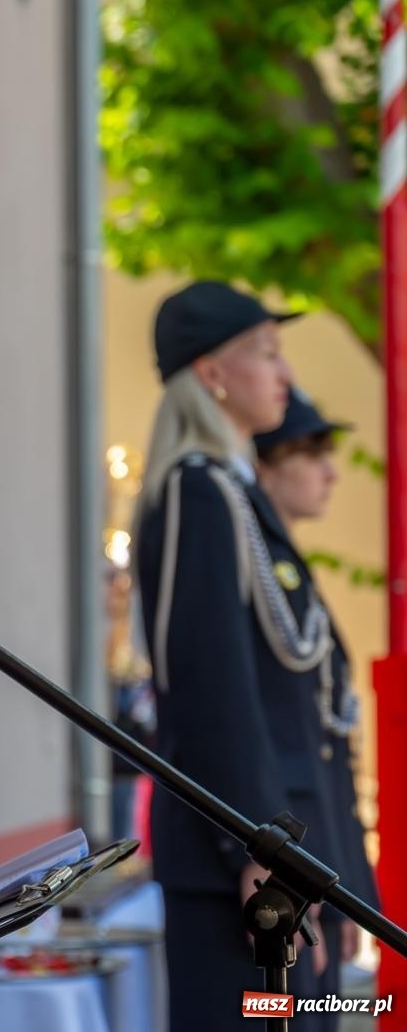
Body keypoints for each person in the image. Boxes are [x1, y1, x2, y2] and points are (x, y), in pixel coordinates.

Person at [133, 280, 372, 1031]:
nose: (285, 375)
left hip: (285, 853)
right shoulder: (198, 491)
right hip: (246, 864)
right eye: (267, 354)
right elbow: (209, 688)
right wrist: (258, 849)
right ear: (212, 374)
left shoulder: (232, 494)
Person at [252, 385, 381, 1012]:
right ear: (267, 465)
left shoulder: (292, 573)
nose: (331, 473)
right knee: (284, 1013)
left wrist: (352, 886)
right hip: (286, 859)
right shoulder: (260, 571)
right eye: (311, 454)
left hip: (315, 856)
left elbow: (331, 752)